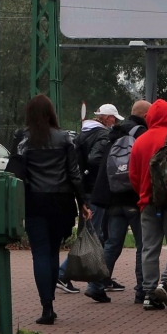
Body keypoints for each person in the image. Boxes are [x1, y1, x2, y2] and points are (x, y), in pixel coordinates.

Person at [7, 94, 90, 325]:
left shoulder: (22, 137)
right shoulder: (65, 138)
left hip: (34, 201)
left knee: (40, 253)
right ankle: (50, 302)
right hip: (62, 202)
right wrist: (82, 201)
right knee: (53, 252)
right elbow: (74, 173)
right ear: (51, 113)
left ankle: (47, 307)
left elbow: (14, 172)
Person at [128, 98, 167, 311]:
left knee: (149, 248)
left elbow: (133, 175)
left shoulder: (140, 141)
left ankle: (149, 294)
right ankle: (166, 283)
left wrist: (143, 193)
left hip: (148, 202)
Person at [85, 100, 149, 304]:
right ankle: (142, 290)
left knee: (112, 244)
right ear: (145, 116)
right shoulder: (141, 134)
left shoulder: (115, 133)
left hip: (114, 198)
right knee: (143, 245)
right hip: (134, 197)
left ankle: (95, 285)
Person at [56, 102, 120, 295]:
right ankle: (62, 273)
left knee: (94, 233)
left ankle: (102, 277)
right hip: (95, 188)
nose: (115, 122)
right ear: (107, 118)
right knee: (93, 234)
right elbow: (95, 158)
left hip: (84, 188)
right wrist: (105, 172)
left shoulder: (84, 133)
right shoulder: (102, 135)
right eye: (114, 119)